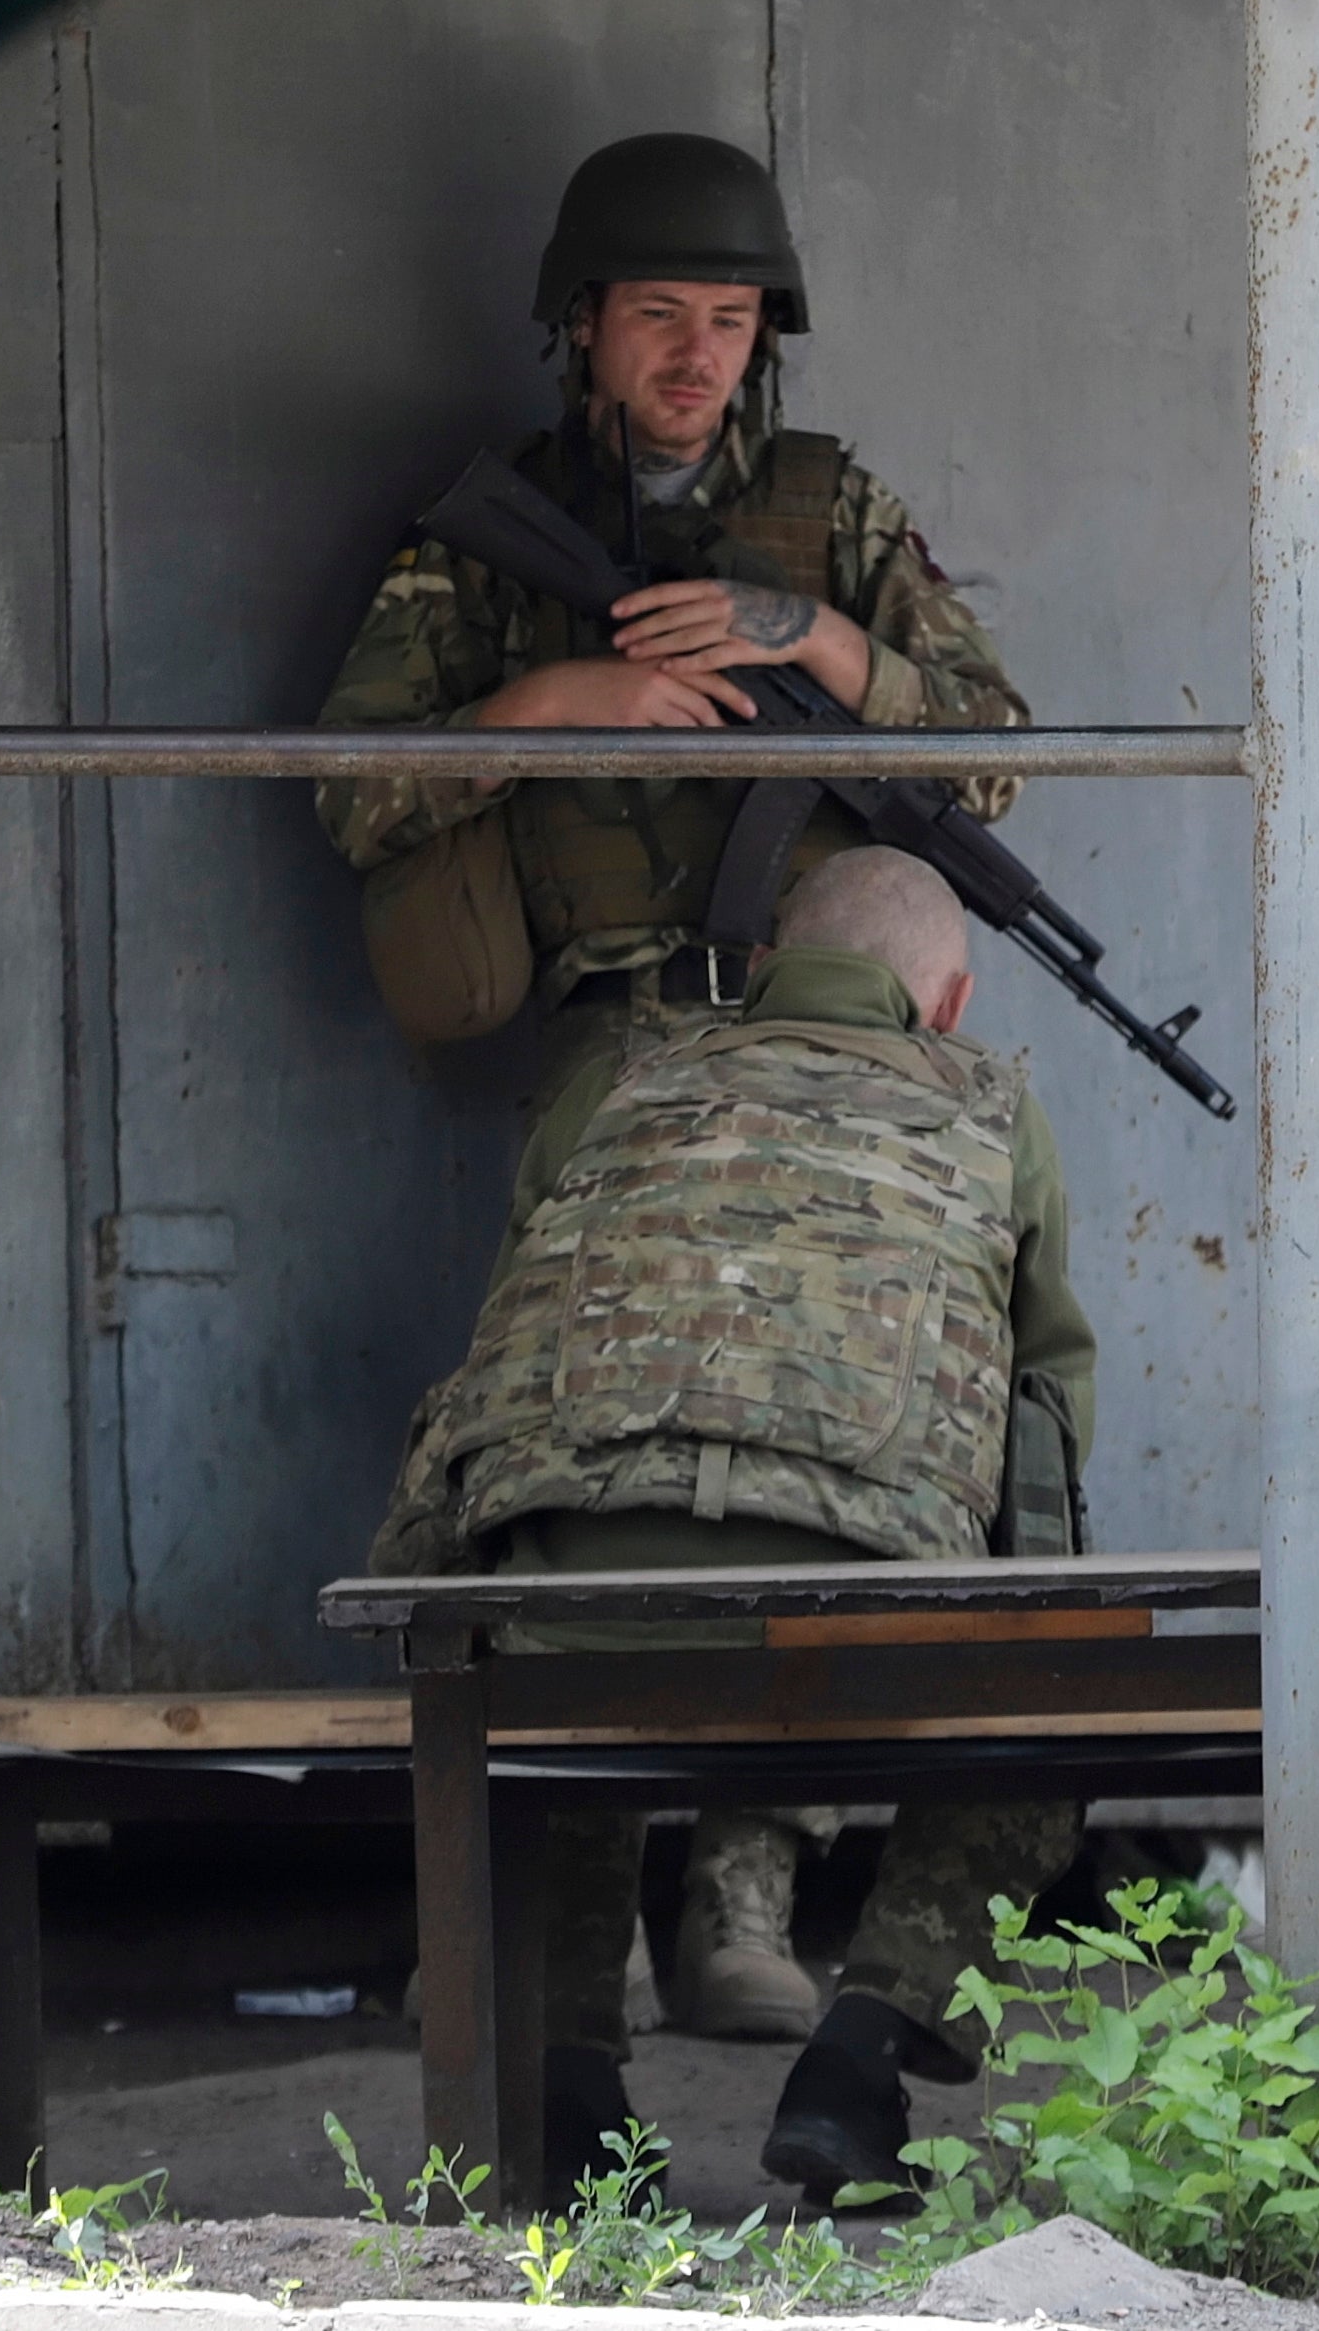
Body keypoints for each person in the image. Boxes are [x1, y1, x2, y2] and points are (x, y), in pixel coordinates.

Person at [316, 131, 1037, 2048]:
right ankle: (566, 1912)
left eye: (728, 322)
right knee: (594, 1449)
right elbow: (333, 780)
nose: (696, 358)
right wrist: (547, 712)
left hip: (821, 1057)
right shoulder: (490, 538)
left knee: (810, 1454)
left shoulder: (825, 514)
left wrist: (815, 639)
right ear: (583, 329)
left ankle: (743, 1895)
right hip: (617, 1067)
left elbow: (1003, 754)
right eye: (660, 318)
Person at [374, 846, 1097, 2200]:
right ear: (948, 1005)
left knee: (565, 1686)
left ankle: (574, 2093)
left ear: (761, 972)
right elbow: (1045, 1413)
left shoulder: (619, 1074)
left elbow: (511, 1333)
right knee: (1053, 1728)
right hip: (853, 1617)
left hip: (570, 1595)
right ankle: (858, 2058)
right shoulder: (993, 1107)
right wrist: (1028, 1640)